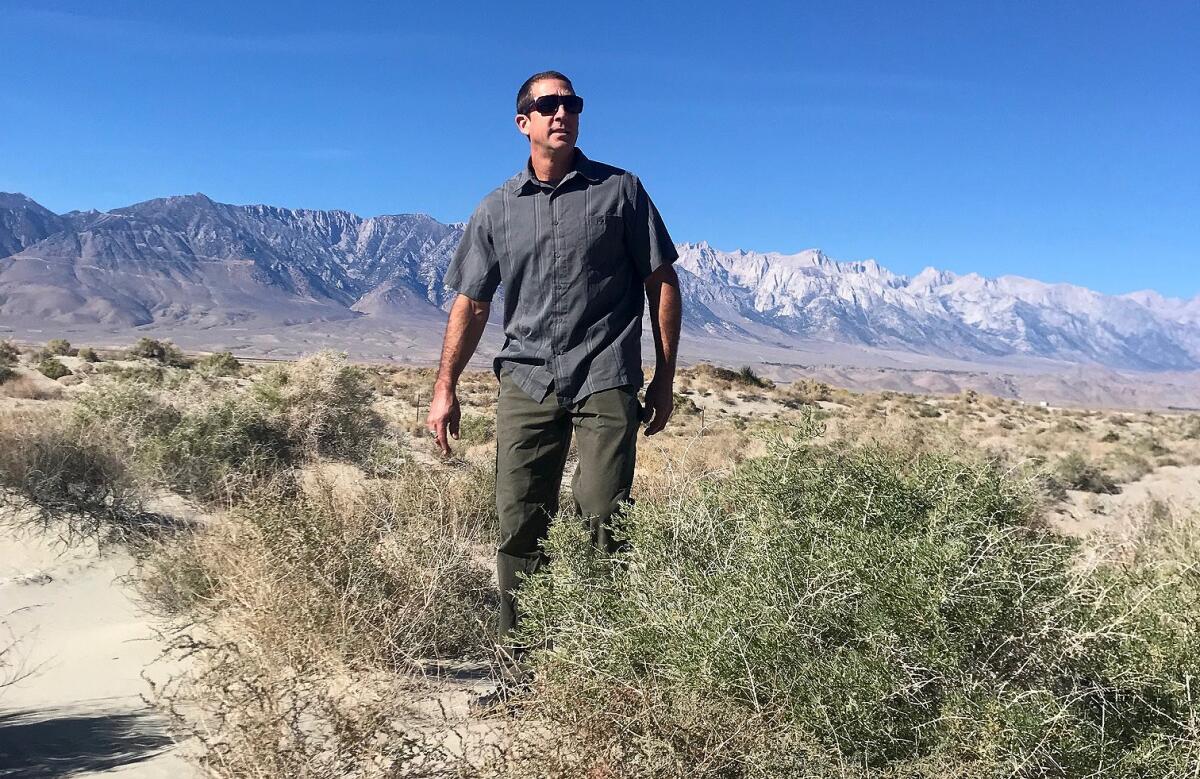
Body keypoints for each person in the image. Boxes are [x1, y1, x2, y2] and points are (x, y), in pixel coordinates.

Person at [426, 70, 682, 695]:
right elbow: (473, 303)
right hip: (528, 379)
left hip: (605, 374)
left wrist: (665, 375)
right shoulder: (496, 209)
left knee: (603, 513)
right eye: (548, 105)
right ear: (524, 122)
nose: (562, 113)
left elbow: (662, 283)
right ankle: (520, 671)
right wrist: (444, 387)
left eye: (571, 104)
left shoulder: (620, 192)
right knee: (518, 519)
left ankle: (598, 668)